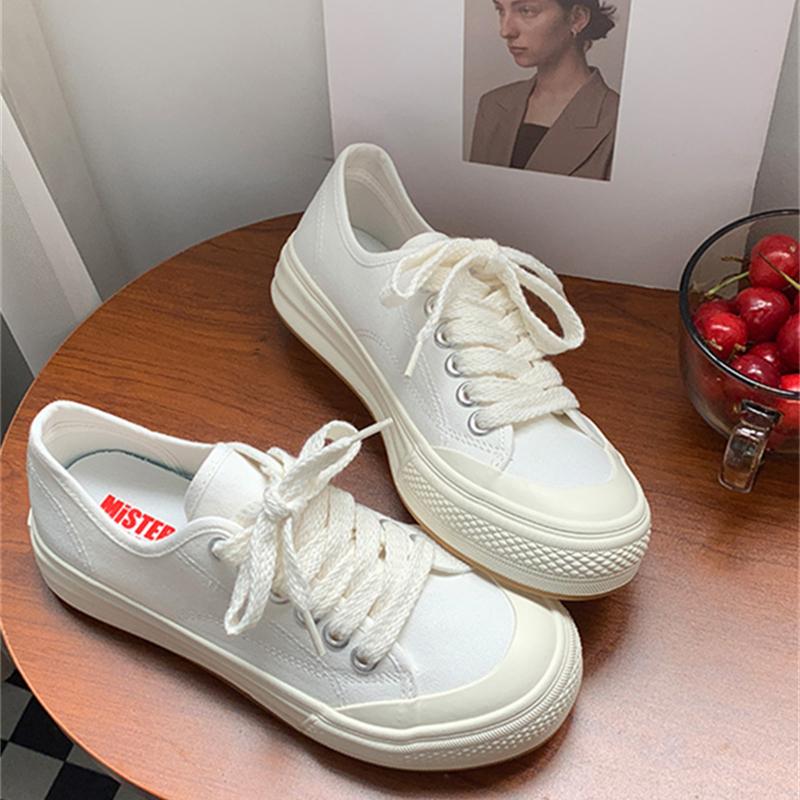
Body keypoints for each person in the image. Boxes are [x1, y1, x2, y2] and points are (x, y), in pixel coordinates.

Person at [470, 0, 620, 181]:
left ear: (577, 18)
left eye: (526, 10)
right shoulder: (492, 105)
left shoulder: (619, 121)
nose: (505, 31)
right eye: (500, 10)